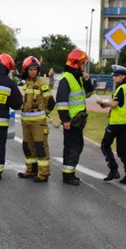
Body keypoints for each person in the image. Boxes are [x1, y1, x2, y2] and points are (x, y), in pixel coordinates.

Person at [55, 49, 94, 186]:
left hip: (78, 121)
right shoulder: (66, 79)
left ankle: (70, 172)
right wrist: (65, 119)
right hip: (71, 121)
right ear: (76, 64)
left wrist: (87, 81)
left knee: (77, 146)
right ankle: (67, 175)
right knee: (72, 147)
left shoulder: (78, 78)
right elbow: (61, 102)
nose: (84, 66)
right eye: (83, 63)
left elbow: (88, 94)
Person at [17, 56, 54, 183]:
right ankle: (31, 170)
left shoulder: (42, 83)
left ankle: (43, 173)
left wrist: (43, 114)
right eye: (30, 69)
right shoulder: (26, 83)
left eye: (35, 69)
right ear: (26, 70)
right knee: (27, 147)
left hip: (38, 123)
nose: (33, 72)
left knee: (40, 147)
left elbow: (51, 103)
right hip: (26, 122)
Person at [98, 64, 126, 185]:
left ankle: (113, 169)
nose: (114, 77)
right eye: (114, 75)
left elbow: (115, 104)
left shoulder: (121, 88)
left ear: (123, 76)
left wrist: (103, 102)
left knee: (105, 145)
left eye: (117, 75)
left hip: (116, 122)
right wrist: (105, 105)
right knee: (121, 150)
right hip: (124, 122)